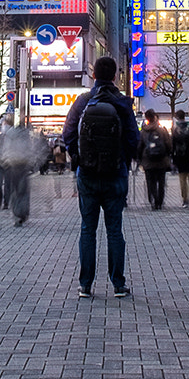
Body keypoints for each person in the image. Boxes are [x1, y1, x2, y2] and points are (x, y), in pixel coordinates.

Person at [60, 56, 142, 297]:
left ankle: (85, 284)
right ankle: (118, 283)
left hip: (87, 173)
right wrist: (123, 160)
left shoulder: (83, 101)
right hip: (115, 174)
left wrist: (78, 157)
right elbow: (133, 140)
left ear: (93, 75)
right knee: (114, 230)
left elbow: (68, 134)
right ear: (115, 76)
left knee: (88, 229)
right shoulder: (124, 103)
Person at [0, 112, 41, 225]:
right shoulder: (25, 133)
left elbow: (3, 148)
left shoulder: (9, 134)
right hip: (23, 164)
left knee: (14, 190)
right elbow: (31, 149)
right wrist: (32, 161)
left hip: (12, 164)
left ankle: (17, 213)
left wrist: (3, 159)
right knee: (22, 190)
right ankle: (22, 213)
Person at [140, 109, 172, 209]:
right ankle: (160, 202)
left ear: (146, 118)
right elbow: (168, 145)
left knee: (150, 182)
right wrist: (168, 155)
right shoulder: (162, 130)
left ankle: (153, 200)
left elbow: (140, 146)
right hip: (161, 161)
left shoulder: (144, 132)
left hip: (148, 161)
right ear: (155, 117)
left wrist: (139, 159)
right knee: (161, 182)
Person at [171, 109, 189, 207]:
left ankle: (185, 199)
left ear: (177, 117)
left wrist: (173, 159)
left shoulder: (175, 130)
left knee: (182, 180)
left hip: (180, 157)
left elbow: (173, 145)